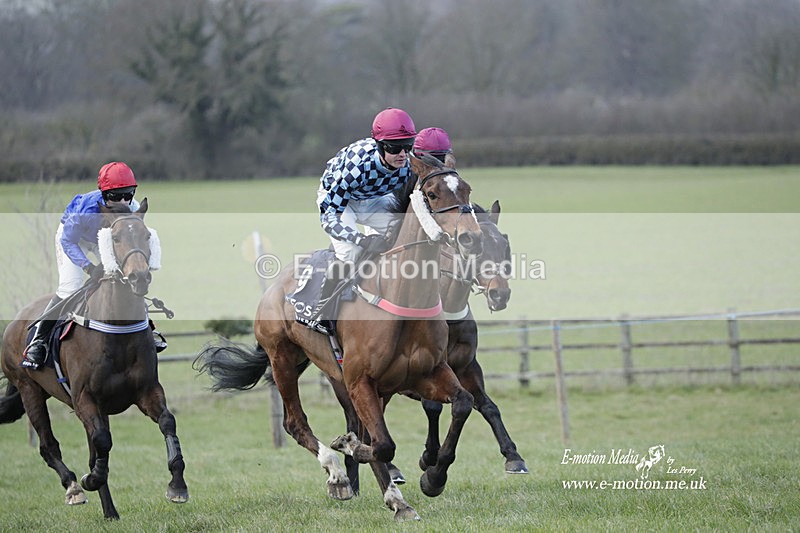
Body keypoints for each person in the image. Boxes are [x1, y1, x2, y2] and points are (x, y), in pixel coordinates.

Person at [21, 162, 166, 370]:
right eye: (115, 196)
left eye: (128, 194)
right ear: (104, 194)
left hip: (105, 238)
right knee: (70, 286)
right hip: (73, 239)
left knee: (128, 277)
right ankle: (38, 341)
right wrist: (88, 267)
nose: (123, 201)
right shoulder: (87, 210)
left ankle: (147, 328)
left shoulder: (133, 208)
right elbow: (68, 241)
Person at [316, 107, 418, 265]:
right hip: (341, 201)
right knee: (351, 253)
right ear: (380, 146)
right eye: (395, 148)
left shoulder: (410, 166)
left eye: (408, 146)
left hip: (375, 198)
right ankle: (331, 278)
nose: (403, 154)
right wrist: (362, 240)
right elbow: (329, 218)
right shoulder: (356, 168)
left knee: (403, 236)